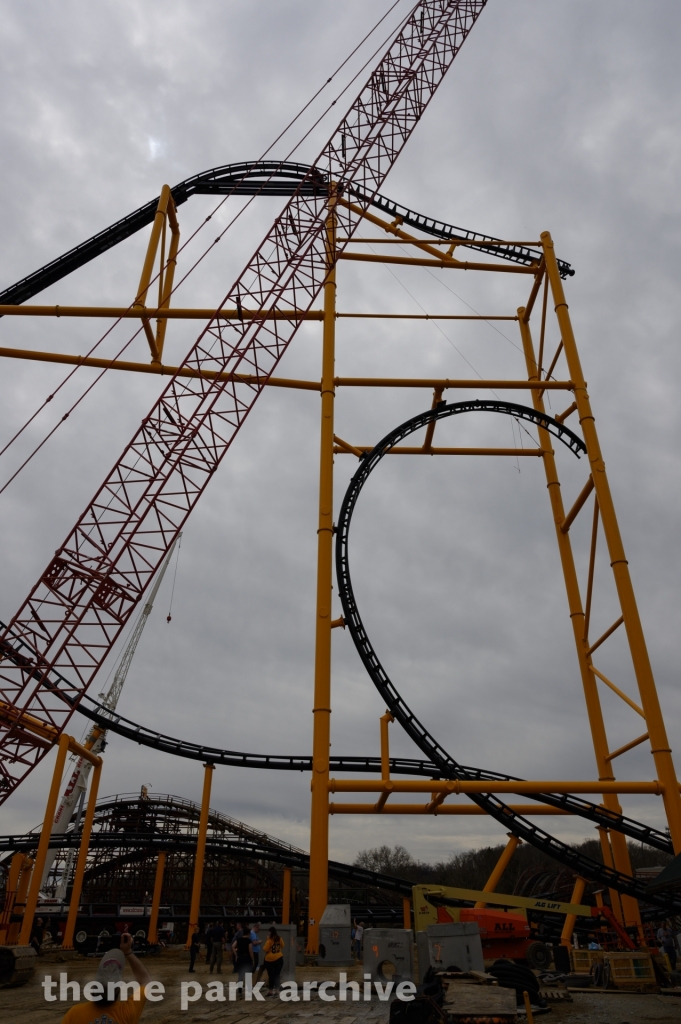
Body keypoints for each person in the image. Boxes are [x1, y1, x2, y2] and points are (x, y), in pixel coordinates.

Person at [61, 932, 150, 1024]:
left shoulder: (75, 1013)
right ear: (118, 989)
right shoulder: (128, 1012)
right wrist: (128, 952)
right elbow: (145, 981)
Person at [262, 926, 284, 996]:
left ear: (270, 932)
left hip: (270, 960)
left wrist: (267, 940)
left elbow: (265, 949)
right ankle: (277, 990)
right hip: (279, 958)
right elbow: (283, 945)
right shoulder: (279, 938)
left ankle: (270, 991)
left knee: (271, 975)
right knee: (277, 975)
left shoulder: (269, 940)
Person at [232, 928, 254, 993]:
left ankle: (239, 990)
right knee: (248, 975)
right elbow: (250, 951)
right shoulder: (249, 941)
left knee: (240, 975)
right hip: (247, 958)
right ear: (248, 933)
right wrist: (253, 960)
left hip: (240, 958)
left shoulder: (238, 940)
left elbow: (233, 946)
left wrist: (236, 955)